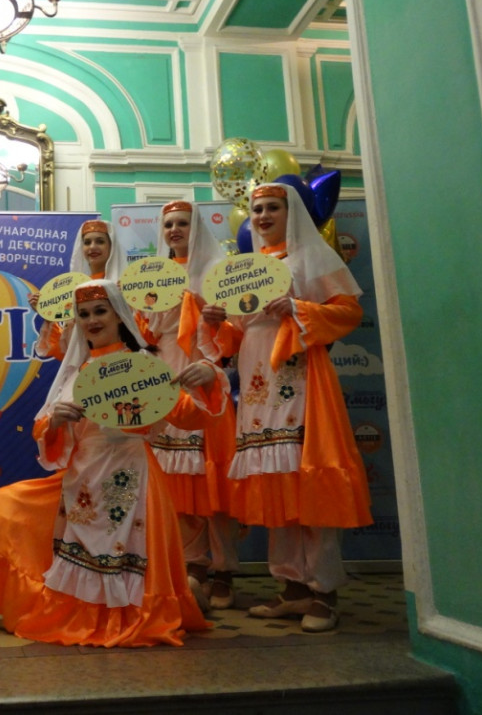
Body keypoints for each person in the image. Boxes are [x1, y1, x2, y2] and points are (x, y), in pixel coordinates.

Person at [0, 279, 226, 647]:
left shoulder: (144, 364)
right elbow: (43, 427)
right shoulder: (76, 370)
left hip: (132, 474)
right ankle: (71, 610)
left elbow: (185, 416)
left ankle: (143, 609)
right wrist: (56, 422)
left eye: (100, 311)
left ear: (119, 316)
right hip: (82, 476)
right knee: (7, 503)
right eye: (84, 314)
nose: (92, 320)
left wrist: (208, 379)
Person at [201, 182, 373, 632]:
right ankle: (293, 588)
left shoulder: (312, 256)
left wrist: (297, 308)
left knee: (306, 480)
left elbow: (348, 311)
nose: (262, 217)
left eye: (271, 208)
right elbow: (237, 335)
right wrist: (218, 323)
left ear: (290, 211)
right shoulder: (247, 269)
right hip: (257, 381)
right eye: (256, 209)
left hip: (299, 376)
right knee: (274, 482)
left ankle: (324, 592)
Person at [147, 200, 241, 613]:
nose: (174, 229)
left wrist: (217, 320)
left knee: (212, 480)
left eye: (182, 223)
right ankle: (192, 564)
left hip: (205, 373)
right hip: (165, 372)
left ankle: (225, 570)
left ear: (196, 227)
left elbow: (237, 339)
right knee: (176, 482)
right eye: (168, 224)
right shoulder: (151, 276)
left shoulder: (217, 272)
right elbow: (143, 332)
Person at [32, 219, 117, 359]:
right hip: (87, 367)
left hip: (121, 363)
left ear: (111, 246)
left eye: (100, 241)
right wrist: (48, 314)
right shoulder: (75, 289)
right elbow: (68, 351)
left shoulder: (122, 286)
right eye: (87, 242)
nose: (92, 247)